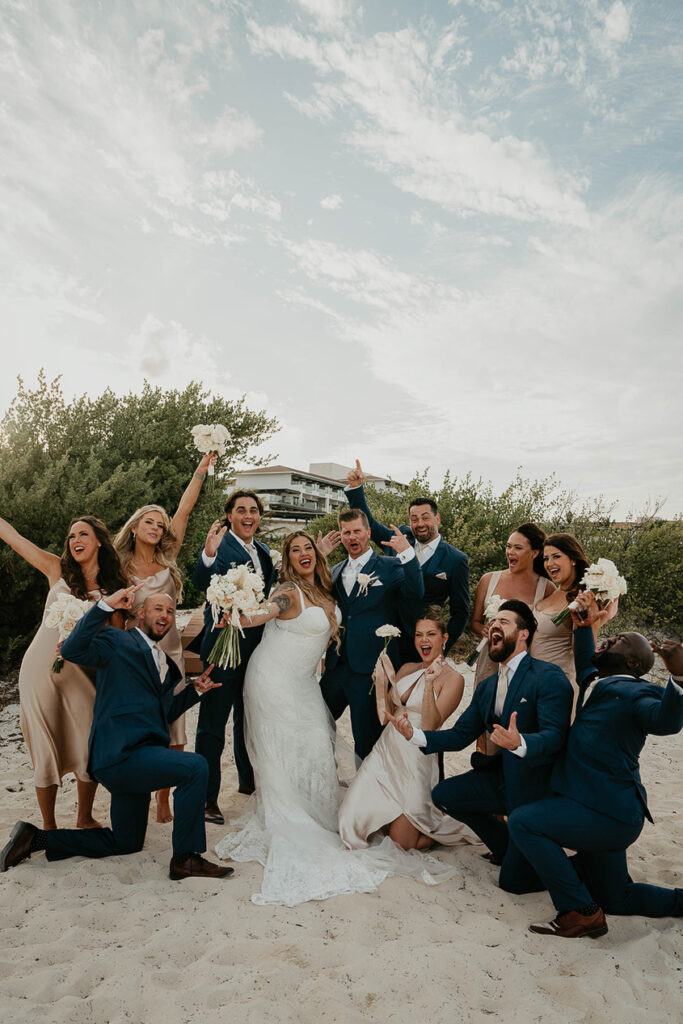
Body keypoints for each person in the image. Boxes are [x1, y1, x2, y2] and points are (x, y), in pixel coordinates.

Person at [214, 534, 454, 905]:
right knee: (283, 749)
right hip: (272, 679)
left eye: (308, 547)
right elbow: (267, 612)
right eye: (295, 550)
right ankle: (290, 814)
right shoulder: (287, 591)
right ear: (288, 561)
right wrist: (239, 614)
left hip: (304, 682)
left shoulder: (324, 588)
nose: (304, 554)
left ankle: (316, 812)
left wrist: (318, 555)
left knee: (314, 747)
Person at [0, 586, 232, 880]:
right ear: (140, 614)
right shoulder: (117, 640)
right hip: (120, 753)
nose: (165, 615)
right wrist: (105, 606)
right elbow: (72, 649)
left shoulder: (168, 665)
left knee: (126, 842)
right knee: (196, 767)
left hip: (139, 761)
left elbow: (162, 713)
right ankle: (186, 858)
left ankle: (35, 839)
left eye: (170, 611)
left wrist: (194, 692)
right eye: (158, 608)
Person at [508, 592, 683, 939]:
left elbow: (666, 722)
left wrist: (678, 676)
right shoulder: (595, 681)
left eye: (618, 641)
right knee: (617, 897)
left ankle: (582, 912)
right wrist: (584, 626)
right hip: (605, 810)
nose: (609, 639)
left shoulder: (638, 694)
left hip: (607, 812)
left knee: (524, 822)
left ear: (633, 665)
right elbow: (587, 659)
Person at [388, 600, 573, 894]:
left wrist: (521, 742)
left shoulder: (548, 676)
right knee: (445, 794)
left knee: (512, 884)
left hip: (536, 788)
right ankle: (507, 846)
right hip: (501, 781)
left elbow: (555, 737)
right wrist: (416, 736)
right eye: (493, 621)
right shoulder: (487, 686)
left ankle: (539, 855)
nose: (494, 625)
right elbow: (461, 735)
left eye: (505, 622)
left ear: (524, 634)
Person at [0, 513, 127, 831]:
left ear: (98, 540)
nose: (75, 541)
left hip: (81, 673)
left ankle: (84, 817)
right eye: (71, 536)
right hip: (39, 669)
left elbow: (115, 644)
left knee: (88, 741)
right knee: (44, 746)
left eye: (82, 534)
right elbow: (14, 537)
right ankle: (49, 826)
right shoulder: (57, 569)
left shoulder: (114, 588)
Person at [114, 451, 215, 823]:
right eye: (150, 523)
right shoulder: (119, 566)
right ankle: (139, 790)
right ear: (135, 528)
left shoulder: (168, 556)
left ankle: (163, 800)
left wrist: (199, 474)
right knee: (142, 722)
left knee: (175, 725)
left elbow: (184, 513)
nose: (157, 528)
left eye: (160, 523)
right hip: (135, 655)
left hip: (170, 651)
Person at [339, 608, 474, 852]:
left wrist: (431, 681)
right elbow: (386, 714)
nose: (424, 640)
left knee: (401, 844)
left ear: (444, 638)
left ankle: (437, 831)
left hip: (416, 758)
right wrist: (380, 682)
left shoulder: (454, 679)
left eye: (431, 634)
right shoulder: (406, 668)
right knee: (350, 824)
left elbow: (432, 725)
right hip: (387, 751)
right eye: (419, 634)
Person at [191, 490, 277, 824]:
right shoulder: (220, 548)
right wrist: (208, 555)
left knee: (247, 716)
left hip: (256, 648)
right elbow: (202, 581)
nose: (248, 515)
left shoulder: (265, 552)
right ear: (230, 515)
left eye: (253, 510)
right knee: (213, 725)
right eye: (241, 510)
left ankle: (247, 779)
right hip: (223, 648)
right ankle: (206, 799)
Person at [320, 508, 425, 760]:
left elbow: (416, 592)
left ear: (368, 533)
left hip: (370, 670)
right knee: (317, 724)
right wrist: (318, 556)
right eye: (346, 532)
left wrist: (407, 554)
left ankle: (363, 794)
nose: (351, 537)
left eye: (357, 531)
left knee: (365, 738)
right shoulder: (333, 570)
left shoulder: (389, 566)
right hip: (335, 666)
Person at [345, 460, 469, 657]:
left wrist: (442, 648)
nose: (420, 523)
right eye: (414, 519)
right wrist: (356, 489)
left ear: (437, 519)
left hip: (421, 644)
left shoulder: (456, 559)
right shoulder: (401, 538)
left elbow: (461, 612)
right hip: (384, 637)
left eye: (425, 517)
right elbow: (371, 525)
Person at [530, 533, 616, 709]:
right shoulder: (554, 591)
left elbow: (584, 652)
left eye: (556, 556)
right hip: (533, 682)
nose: (549, 563)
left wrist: (594, 620)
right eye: (546, 558)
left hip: (557, 685)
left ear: (573, 560)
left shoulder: (584, 600)